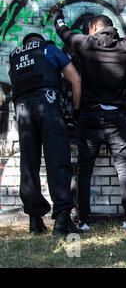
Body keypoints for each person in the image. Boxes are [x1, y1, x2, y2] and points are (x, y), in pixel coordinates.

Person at [52, 9, 126, 231]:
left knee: (85, 170)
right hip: (116, 117)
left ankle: (83, 220)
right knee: (123, 168)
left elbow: (63, 32)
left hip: (90, 116)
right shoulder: (124, 46)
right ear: (111, 28)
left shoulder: (86, 43)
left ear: (93, 28)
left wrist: (59, 14)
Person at [9, 32, 82, 235]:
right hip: (47, 105)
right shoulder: (48, 48)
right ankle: (61, 220)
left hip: (22, 111)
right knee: (57, 160)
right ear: (39, 41)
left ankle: (35, 221)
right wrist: (76, 109)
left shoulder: (14, 56)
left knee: (29, 164)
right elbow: (75, 80)